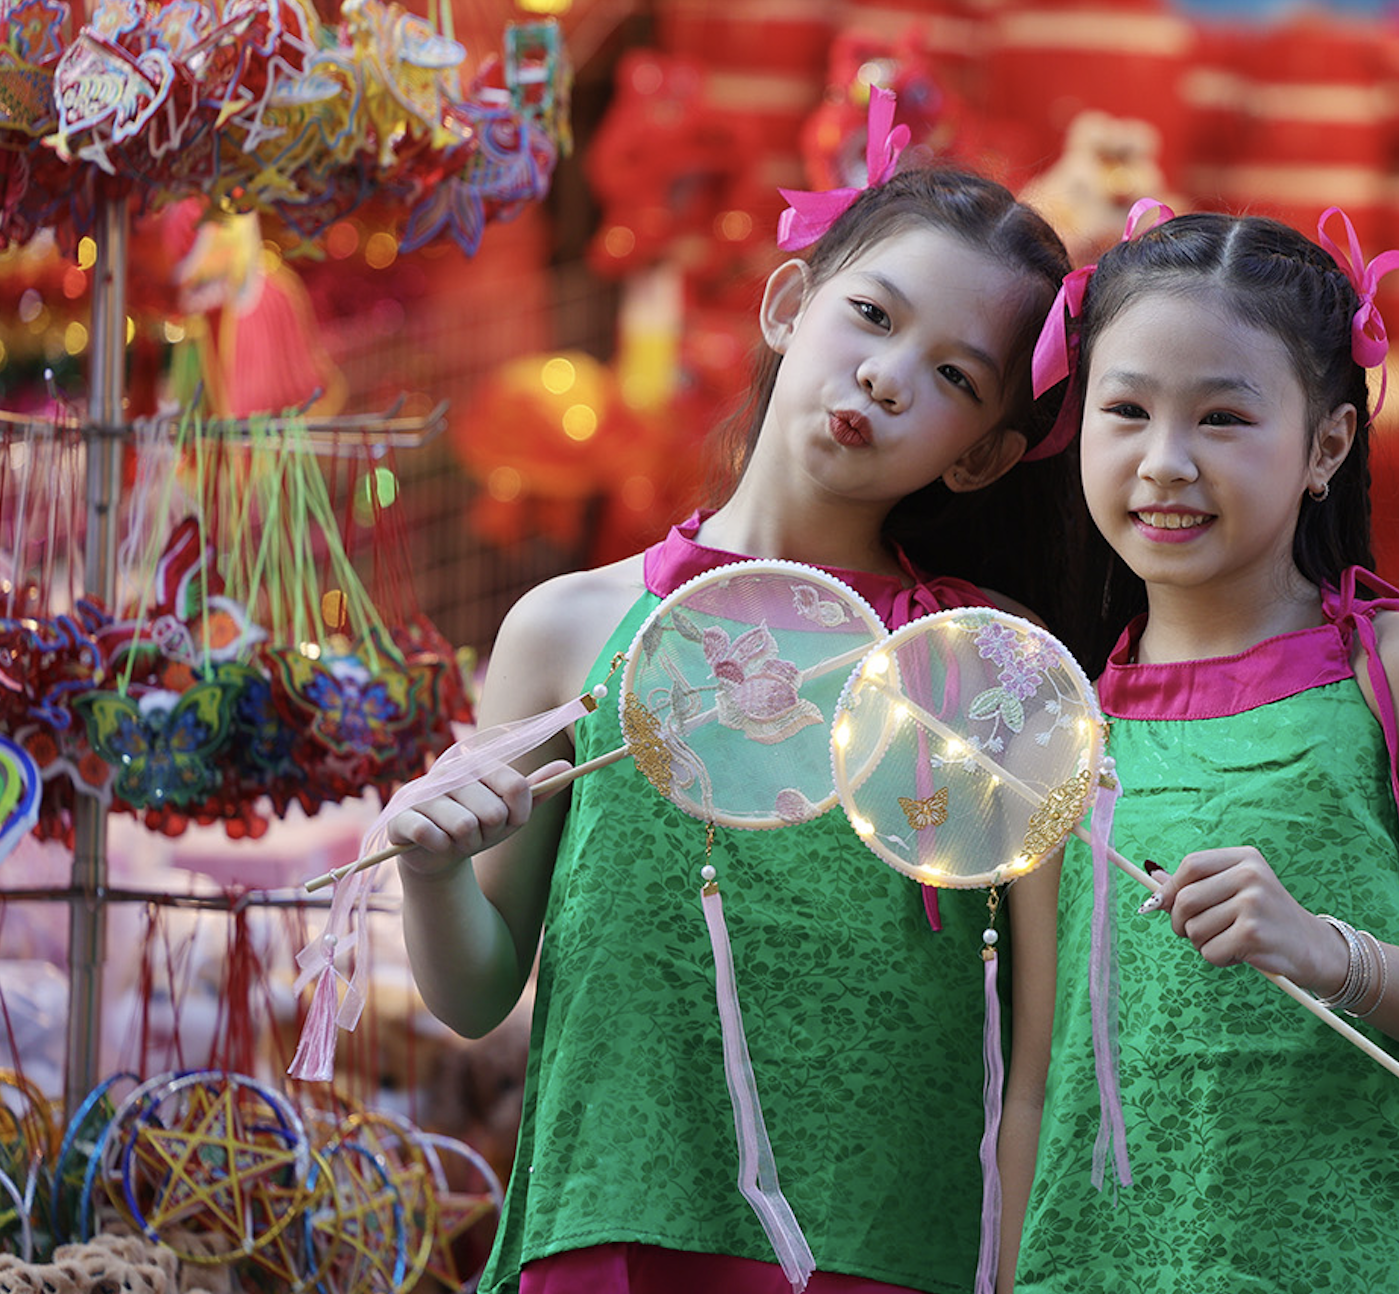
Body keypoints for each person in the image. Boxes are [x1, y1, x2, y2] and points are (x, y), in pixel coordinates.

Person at [389, 161, 1078, 1294]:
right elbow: (474, 997)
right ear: (786, 302)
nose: (887, 374)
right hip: (616, 1222)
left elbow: (1040, 1055)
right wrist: (431, 874)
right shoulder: (569, 630)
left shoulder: (984, 670)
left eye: (954, 374)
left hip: (896, 1247)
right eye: (871, 313)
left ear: (983, 453)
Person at [1008, 210, 1399, 1291]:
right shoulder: (1056, 719)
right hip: (1137, 1255)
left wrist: (1326, 950)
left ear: (1327, 445)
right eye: (1125, 410)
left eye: (1222, 417)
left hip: (1390, 1247)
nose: (1165, 461)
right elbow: (1041, 1072)